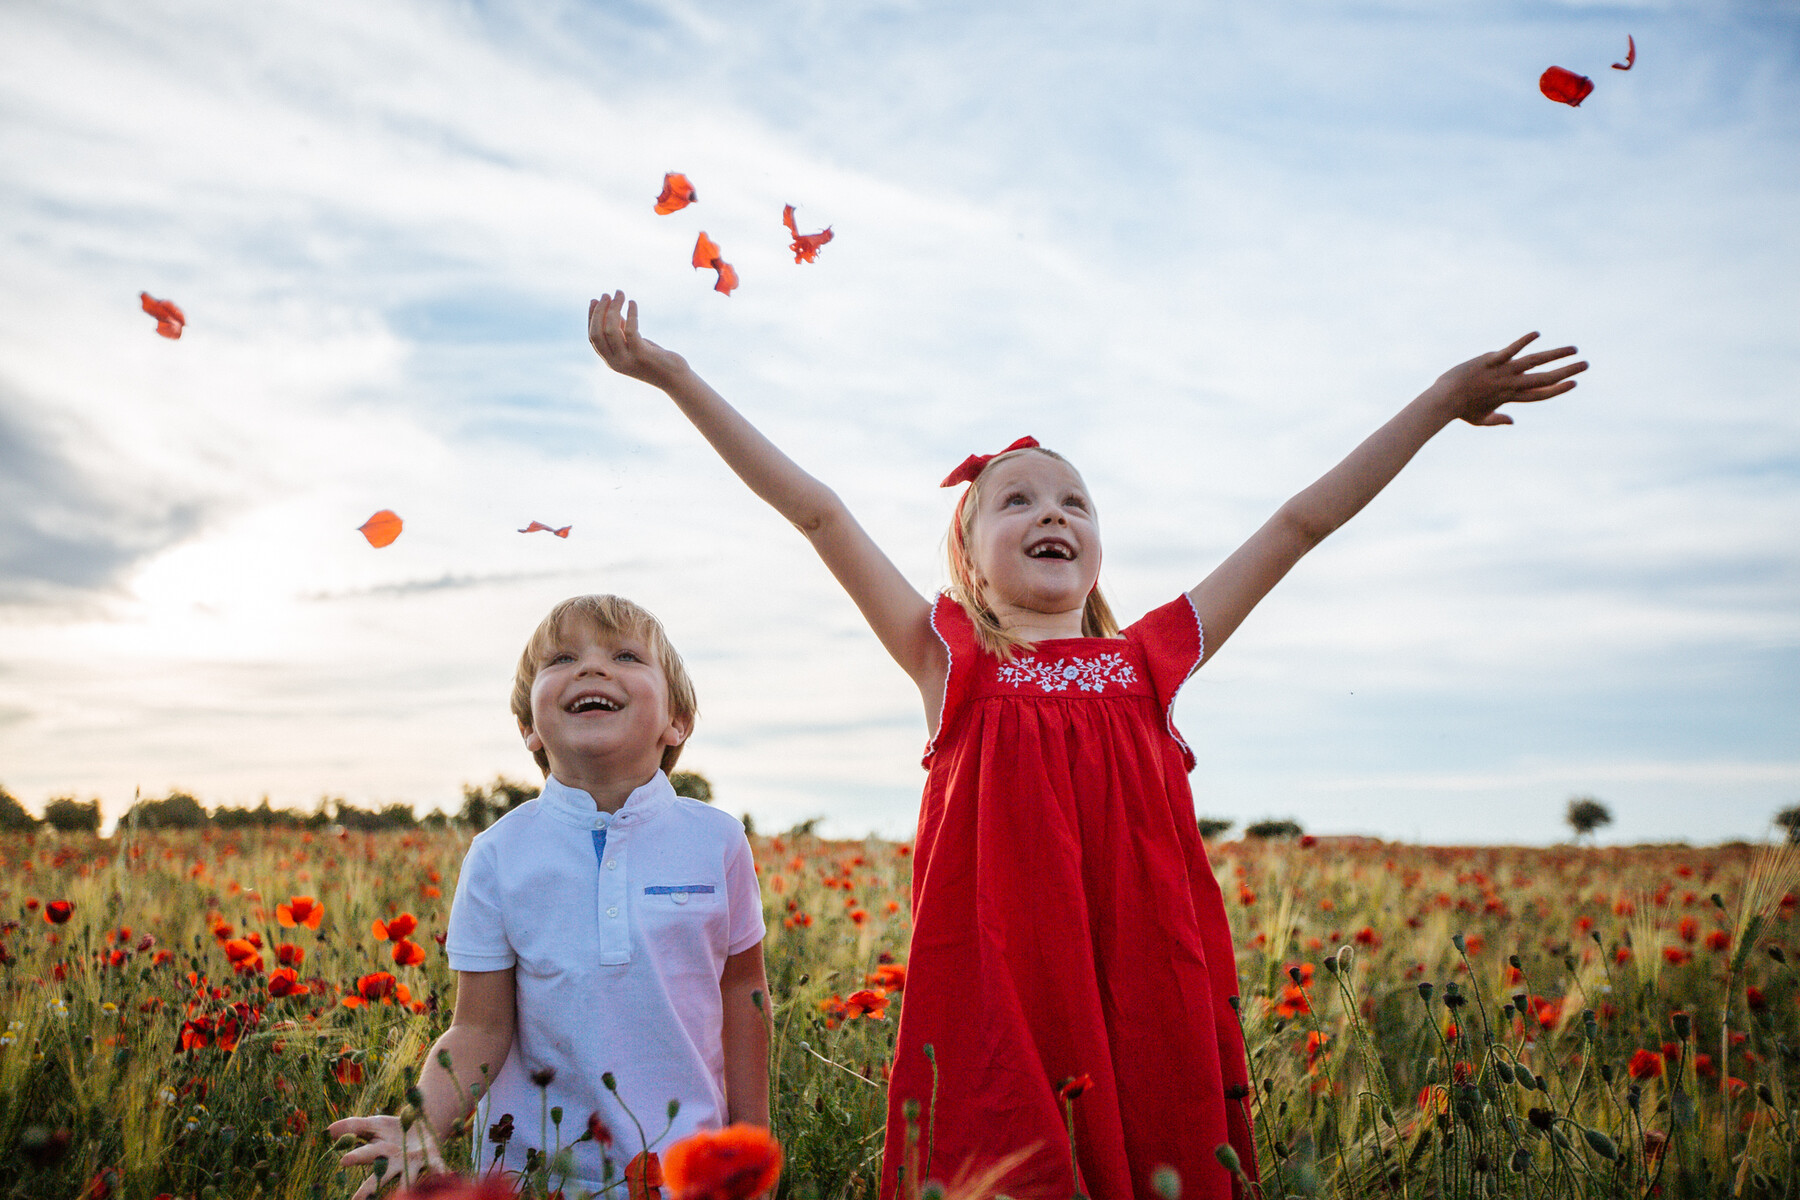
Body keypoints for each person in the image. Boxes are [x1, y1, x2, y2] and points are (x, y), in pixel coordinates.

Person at [587, 291, 1584, 1200]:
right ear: (970, 565)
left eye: (1073, 501)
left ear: (1097, 545)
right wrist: (674, 375)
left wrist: (1440, 400)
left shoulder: (1152, 661)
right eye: (1016, 501)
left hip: (1144, 987)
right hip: (1003, 994)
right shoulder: (952, 667)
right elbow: (817, 511)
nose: (1051, 512)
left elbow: (1299, 523)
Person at [328, 594, 770, 1199]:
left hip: (683, 1172)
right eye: (562, 658)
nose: (592, 668)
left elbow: (742, 995)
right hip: (535, 1174)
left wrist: (750, 1146)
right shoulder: (498, 853)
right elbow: (479, 1029)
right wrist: (419, 1123)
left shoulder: (717, 840)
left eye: (624, 655)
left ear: (677, 722)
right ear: (529, 729)